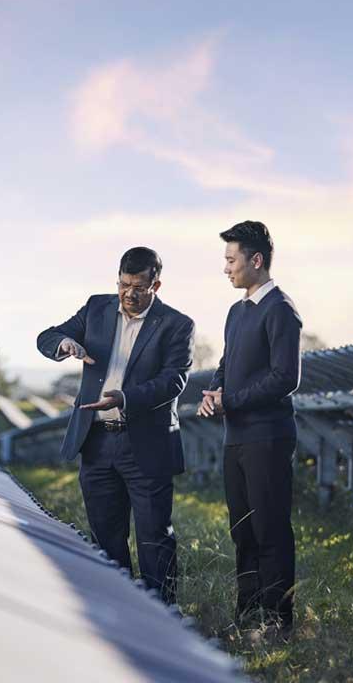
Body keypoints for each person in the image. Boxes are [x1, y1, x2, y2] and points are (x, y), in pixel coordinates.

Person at [37, 247, 194, 603]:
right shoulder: (96, 308)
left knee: (154, 536)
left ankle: (162, 616)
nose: (129, 294)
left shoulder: (177, 324)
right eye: (124, 284)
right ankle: (119, 611)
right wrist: (65, 343)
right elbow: (46, 337)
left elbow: (174, 380)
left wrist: (125, 398)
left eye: (139, 287)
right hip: (96, 442)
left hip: (146, 444)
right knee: (106, 537)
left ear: (156, 285)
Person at [198, 220, 302, 635]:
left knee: (270, 529)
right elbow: (227, 365)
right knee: (242, 530)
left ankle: (279, 620)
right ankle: (248, 613)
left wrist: (232, 401)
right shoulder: (236, 311)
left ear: (255, 260)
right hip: (236, 437)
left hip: (268, 436)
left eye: (231, 259)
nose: (226, 268)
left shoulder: (281, 310)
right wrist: (213, 391)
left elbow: (285, 378)